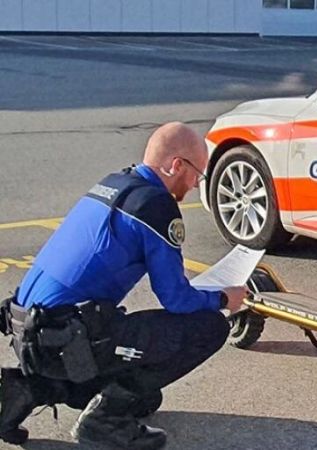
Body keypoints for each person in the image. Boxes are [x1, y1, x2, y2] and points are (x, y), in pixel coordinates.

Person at [0, 122, 249, 449]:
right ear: (176, 165)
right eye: (197, 176)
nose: (193, 185)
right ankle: (105, 422)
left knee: (145, 397)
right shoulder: (155, 206)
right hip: (65, 339)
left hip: (30, 331)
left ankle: (24, 390)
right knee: (209, 326)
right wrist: (222, 298)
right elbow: (176, 299)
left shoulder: (114, 183)